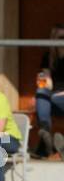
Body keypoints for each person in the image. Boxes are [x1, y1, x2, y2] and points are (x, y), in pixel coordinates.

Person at [34, 23, 64, 159]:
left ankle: (46, 145)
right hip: (53, 99)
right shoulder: (49, 57)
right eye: (60, 37)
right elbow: (48, 84)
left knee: (45, 98)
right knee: (41, 92)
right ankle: (45, 130)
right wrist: (43, 80)